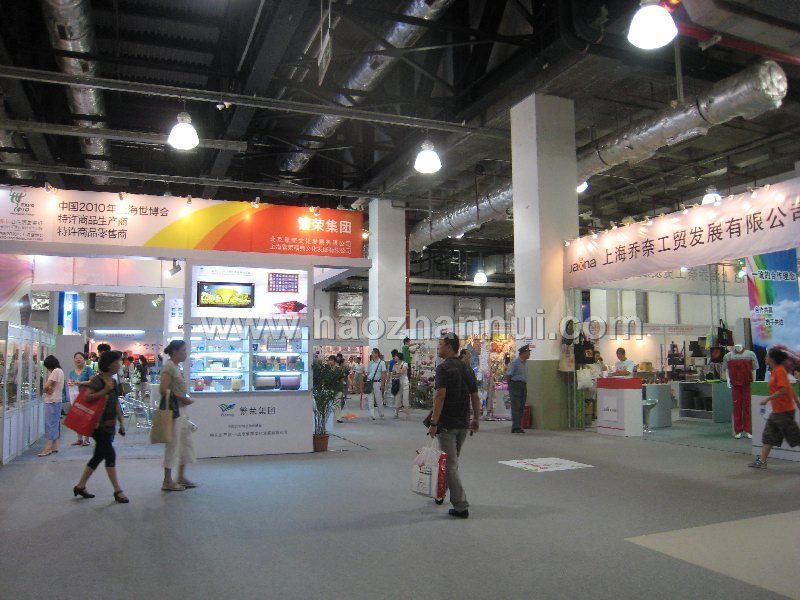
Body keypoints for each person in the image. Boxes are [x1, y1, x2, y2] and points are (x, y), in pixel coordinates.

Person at [427, 333, 480, 518]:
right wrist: (476, 419)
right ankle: (441, 492)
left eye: (440, 344)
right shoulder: (467, 368)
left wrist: (433, 422)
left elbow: (439, 396)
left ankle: (461, 506)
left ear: (449, 346)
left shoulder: (443, 368)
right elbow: (475, 396)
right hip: (463, 423)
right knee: (451, 462)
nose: (438, 347)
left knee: (450, 465)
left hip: (447, 424)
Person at [72, 351, 129, 503]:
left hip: (109, 425)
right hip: (98, 426)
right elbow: (87, 397)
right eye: (117, 362)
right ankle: (117, 490)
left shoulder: (113, 381)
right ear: (110, 364)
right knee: (110, 454)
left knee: (98, 456)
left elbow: (116, 402)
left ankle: (80, 486)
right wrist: (104, 391)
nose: (120, 365)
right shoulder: (97, 380)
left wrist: (121, 422)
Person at [749, 348, 800, 469]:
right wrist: (797, 402)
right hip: (777, 411)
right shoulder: (776, 371)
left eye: (767, 356)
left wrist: (768, 399)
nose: (765, 358)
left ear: (772, 359)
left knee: (795, 438)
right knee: (768, 436)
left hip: (784, 411)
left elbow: (783, 390)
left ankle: (762, 461)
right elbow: (789, 388)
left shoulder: (780, 371)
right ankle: (762, 462)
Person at [159, 340, 197, 491]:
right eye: (183, 350)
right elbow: (163, 390)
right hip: (174, 411)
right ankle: (167, 480)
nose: (185, 353)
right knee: (173, 444)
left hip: (181, 411)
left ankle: (180, 476)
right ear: (174, 352)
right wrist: (182, 398)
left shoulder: (176, 366)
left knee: (185, 442)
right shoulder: (169, 367)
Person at [723, 343, 758, 439]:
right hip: (735, 385)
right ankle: (738, 430)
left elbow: (754, 369)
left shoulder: (750, 354)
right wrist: (728, 380)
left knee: (747, 407)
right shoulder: (728, 356)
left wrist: (754, 381)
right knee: (737, 407)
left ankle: (748, 430)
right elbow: (726, 370)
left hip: (747, 384)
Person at [38, 355, 65, 457]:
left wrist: (45, 389)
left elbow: (46, 387)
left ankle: (48, 448)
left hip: (52, 401)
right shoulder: (60, 371)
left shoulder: (56, 371)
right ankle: (54, 446)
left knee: (50, 424)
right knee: (54, 423)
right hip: (56, 400)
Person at [68, 352, 94, 447]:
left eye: (80, 358)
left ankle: (86, 439)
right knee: (77, 417)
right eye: (76, 358)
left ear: (84, 359)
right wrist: (70, 383)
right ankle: (79, 439)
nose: (78, 359)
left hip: (86, 396)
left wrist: (81, 383)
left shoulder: (88, 369)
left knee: (86, 418)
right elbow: (71, 381)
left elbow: (92, 381)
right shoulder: (71, 372)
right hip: (75, 397)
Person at [506, 345, 531, 434]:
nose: (529, 354)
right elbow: (509, 375)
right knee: (516, 406)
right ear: (523, 353)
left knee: (521, 407)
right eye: (528, 353)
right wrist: (511, 386)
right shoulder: (515, 363)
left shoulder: (524, 363)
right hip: (515, 385)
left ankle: (519, 426)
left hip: (523, 385)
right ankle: (515, 427)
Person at [364, 348, 387, 420]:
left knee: (378, 399)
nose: (371, 354)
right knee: (370, 399)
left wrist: (382, 384)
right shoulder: (370, 363)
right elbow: (368, 373)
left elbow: (383, 374)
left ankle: (381, 413)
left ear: (376, 354)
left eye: (373, 353)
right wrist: (366, 381)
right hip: (369, 382)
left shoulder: (382, 363)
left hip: (377, 383)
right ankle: (372, 414)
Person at [392, 353, 410, 419]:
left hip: (405, 383)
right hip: (397, 383)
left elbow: (401, 372)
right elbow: (393, 375)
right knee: (397, 398)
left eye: (395, 356)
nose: (394, 358)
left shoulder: (405, 364)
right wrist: (396, 374)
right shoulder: (395, 365)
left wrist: (397, 368)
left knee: (405, 399)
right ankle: (396, 413)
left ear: (399, 357)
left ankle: (407, 414)